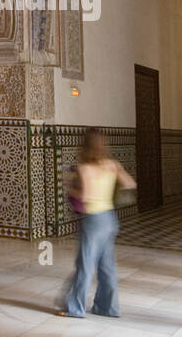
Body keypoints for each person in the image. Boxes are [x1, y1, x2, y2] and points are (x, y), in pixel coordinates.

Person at [58, 128, 136, 319]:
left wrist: (70, 189)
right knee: (106, 266)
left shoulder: (85, 168)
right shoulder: (112, 164)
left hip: (93, 220)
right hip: (110, 219)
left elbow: (86, 196)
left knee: (85, 265)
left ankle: (75, 308)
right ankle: (108, 308)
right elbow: (130, 183)